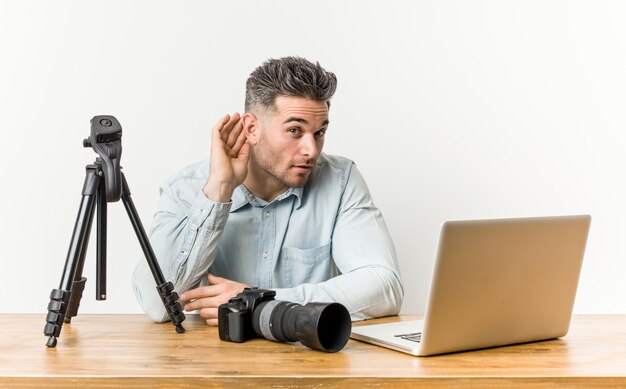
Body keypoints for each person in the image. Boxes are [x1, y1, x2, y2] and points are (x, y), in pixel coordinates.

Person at [132, 56, 404, 325]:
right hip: (216, 360)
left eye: (319, 132)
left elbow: (384, 287)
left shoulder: (340, 181)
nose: (311, 150)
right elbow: (158, 306)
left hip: (311, 360)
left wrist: (263, 302)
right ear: (251, 128)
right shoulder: (187, 190)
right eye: (295, 130)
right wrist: (219, 191)